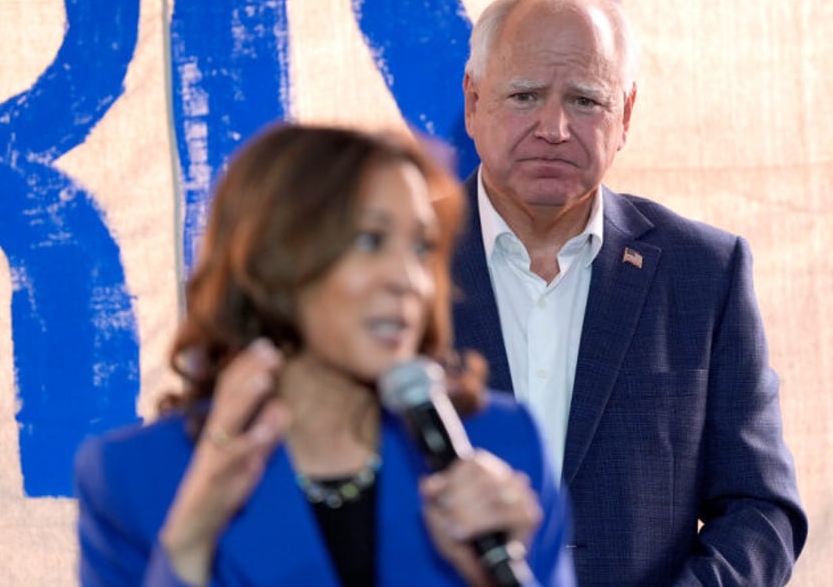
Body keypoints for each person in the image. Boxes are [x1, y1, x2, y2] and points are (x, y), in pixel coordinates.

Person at [74, 123, 576, 586]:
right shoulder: (131, 478)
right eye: (369, 240)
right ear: (272, 260)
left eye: (422, 247)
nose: (408, 280)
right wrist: (191, 537)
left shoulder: (505, 448)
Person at [450, 0, 808, 586]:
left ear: (627, 114)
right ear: (474, 100)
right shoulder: (389, 269)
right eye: (525, 95)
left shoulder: (705, 274)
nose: (554, 129)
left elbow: (761, 508)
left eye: (585, 100)